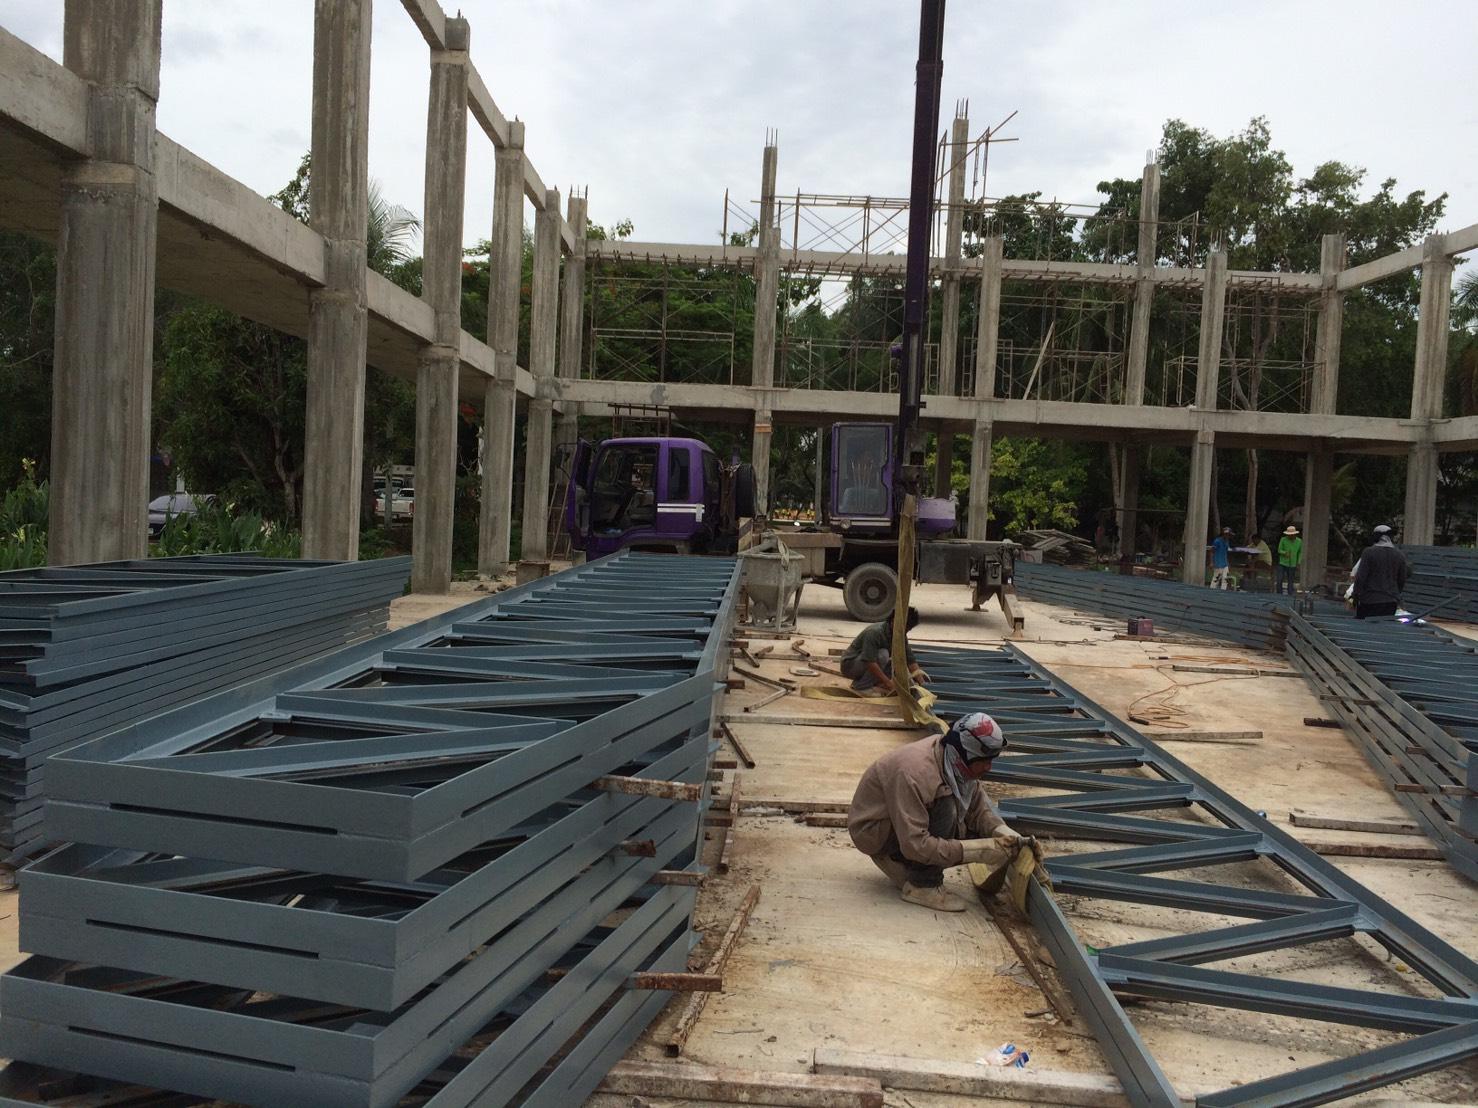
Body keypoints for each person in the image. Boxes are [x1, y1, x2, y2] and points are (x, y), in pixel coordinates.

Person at [848, 712, 1025, 911]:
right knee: (947, 807)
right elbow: (915, 844)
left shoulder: (955, 760)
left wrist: (1005, 833)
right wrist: (978, 850)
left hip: (901, 824)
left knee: (969, 825)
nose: (989, 767)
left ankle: (909, 867)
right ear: (965, 753)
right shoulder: (915, 773)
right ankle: (922, 886)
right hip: (875, 832)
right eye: (984, 760)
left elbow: (978, 810)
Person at [839, 606, 930, 696]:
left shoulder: (900, 634)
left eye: (908, 630)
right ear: (893, 621)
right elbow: (869, 661)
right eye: (905, 628)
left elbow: (910, 660)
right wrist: (888, 684)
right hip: (850, 666)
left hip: (864, 664)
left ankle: (869, 684)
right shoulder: (875, 632)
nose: (905, 632)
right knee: (883, 655)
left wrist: (922, 685)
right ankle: (861, 687)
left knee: (895, 664)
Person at [1352, 524, 1409, 620]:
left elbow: (1361, 577)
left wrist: (1356, 594)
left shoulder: (1369, 552)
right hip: (1391, 602)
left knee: (1365, 627)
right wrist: (1395, 594)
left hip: (1369, 600)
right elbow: (1402, 579)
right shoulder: (1399, 555)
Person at [1276, 526, 1302, 595]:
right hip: (1282, 562)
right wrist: (1284, 553)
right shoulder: (1283, 539)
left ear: (1295, 534)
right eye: (1289, 535)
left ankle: (1290, 594)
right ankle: (1279, 594)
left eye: (1292, 534)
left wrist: (1298, 562)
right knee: (1279, 579)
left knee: (1290, 580)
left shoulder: (1299, 541)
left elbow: (1300, 552)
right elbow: (1279, 550)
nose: (1290, 536)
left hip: (1292, 563)